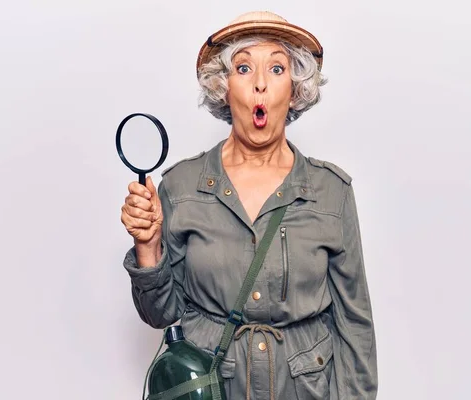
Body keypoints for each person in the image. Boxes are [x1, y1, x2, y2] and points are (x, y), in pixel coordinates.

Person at [120, 10, 378, 400]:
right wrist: (147, 245)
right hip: (210, 387)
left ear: (294, 89)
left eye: (276, 69)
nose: (260, 84)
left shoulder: (331, 191)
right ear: (223, 87)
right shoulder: (181, 185)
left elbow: (355, 327)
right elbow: (161, 314)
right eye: (243, 68)